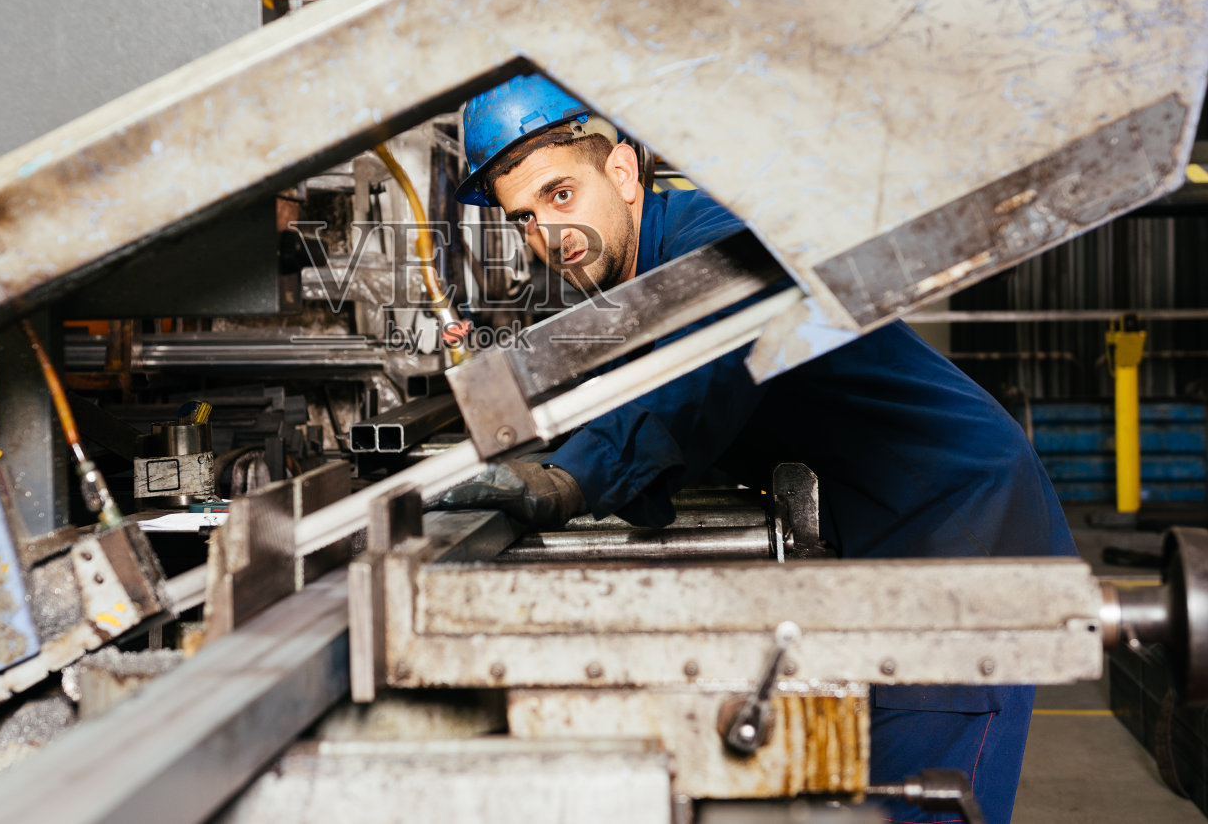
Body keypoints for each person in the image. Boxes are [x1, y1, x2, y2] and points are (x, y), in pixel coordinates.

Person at [439, 72, 1078, 824]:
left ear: (622, 170)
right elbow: (626, 387)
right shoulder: (644, 275)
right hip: (880, 540)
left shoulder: (720, 240)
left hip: (961, 533)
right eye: (524, 219)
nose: (549, 238)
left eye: (560, 196)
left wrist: (567, 482)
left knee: (923, 799)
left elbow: (699, 374)